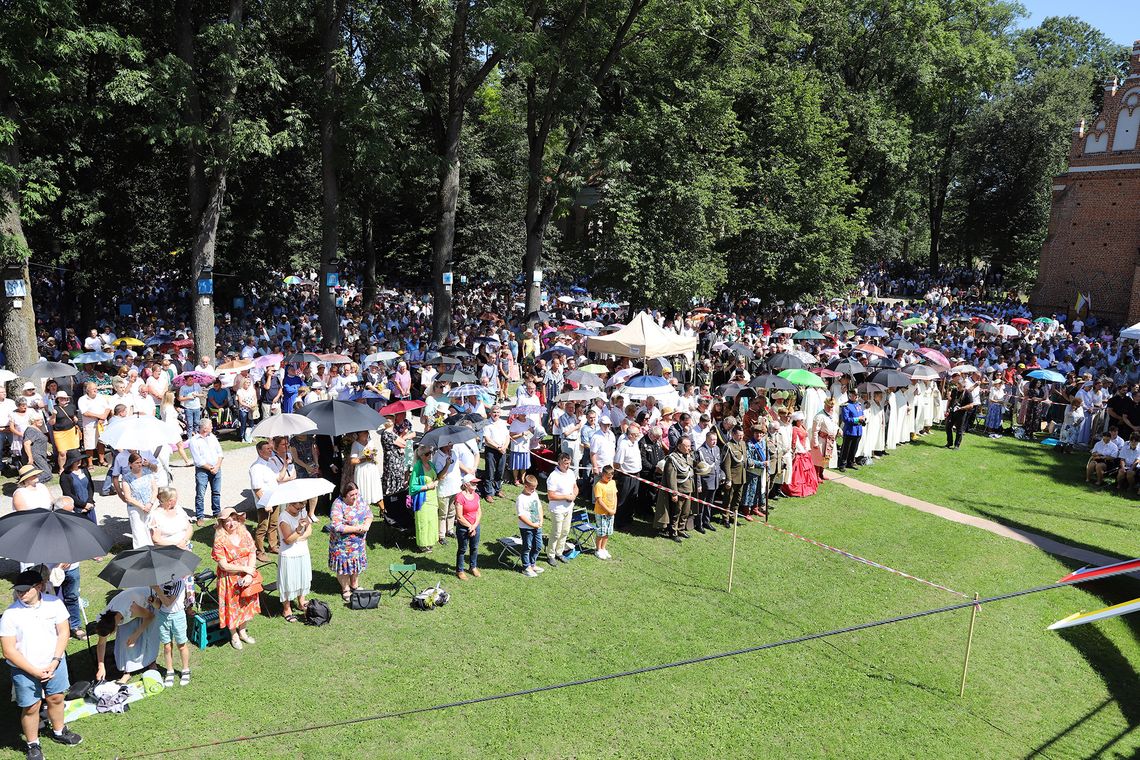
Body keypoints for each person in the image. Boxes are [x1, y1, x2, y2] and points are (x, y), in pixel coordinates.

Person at [1, 569, 82, 759]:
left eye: (25, 590)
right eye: (18, 590)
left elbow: (63, 632)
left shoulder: (55, 604)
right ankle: (33, 745)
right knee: (31, 707)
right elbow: (9, 651)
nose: (20, 594)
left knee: (56, 698)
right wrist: (35, 671)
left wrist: (55, 661)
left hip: (54, 663)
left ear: (39, 587)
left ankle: (59, 731)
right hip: (24, 669)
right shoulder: (10, 615)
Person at [211, 507, 260, 650]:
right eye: (227, 521)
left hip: (246, 577)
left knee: (245, 604)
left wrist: (250, 575)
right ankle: (234, 635)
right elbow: (223, 565)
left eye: (233, 519)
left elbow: (252, 553)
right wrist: (245, 569)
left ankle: (243, 631)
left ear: (239, 520)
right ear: (222, 524)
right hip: (229, 580)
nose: (231, 523)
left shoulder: (245, 534)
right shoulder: (219, 540)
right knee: (232, 607)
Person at [94, 586, 159, 683]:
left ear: (115, 627)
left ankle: (151, 662)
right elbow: (101, 643)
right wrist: (101, 666)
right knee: (124, 639)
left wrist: (135, 635)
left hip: (148, 601)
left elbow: (150, 616)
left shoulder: (130, 608)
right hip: (129, 603)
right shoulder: (103, 620)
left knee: (148, 633)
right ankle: (127, 672)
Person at [249, 440, 291, 561]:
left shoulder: (270, 464)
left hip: (274, 499)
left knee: (273, 524)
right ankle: (259, 551)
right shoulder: (256, 467)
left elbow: (279, 478)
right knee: (262, 527)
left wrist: (285, 465)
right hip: (264, 503)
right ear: (260, 451)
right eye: (267, 449)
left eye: (270, 448)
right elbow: (257, 489)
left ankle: (273, 546)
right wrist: (266, 503)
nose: (270, 450)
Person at [329, 482, 372, 601]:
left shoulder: (360, 500)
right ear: (344, 495)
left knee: (355, 565)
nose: (355, 497)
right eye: (352, 495)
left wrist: (367, 524)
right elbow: (337, 526)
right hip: (343, 544)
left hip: (358, 543)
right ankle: (345, 588)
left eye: (356, 493)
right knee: (344, 566)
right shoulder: (338, 505)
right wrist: (357, 529)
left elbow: (369, 514)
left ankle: (354, 585)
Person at [153, 573, 191, 688]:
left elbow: (168, 602)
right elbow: (160, 605)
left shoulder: (179, 582)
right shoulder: (160, 582)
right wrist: (153, 601)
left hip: (177, 616)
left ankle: (185, 670)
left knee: (181, 645)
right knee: (167, 646)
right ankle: (170, 671)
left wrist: (156, 589)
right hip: (163, 616)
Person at [277, 501, 313, 622]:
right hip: (289, 555)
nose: (301, 508)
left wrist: (300, 537)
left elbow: (309, 531)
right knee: (289, 581)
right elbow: (288, 540)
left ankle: (301, 601)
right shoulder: (283, 517)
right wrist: (299, 529)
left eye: (303, 505)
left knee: (302, 578)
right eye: (298, 505)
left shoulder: (303, 512)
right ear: (290, 504)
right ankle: (286, 608)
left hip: (302, 552)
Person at [657, 436, 694, 539]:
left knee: (685, 512)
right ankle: (673, 531)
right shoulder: (672, 458)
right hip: (679, 489)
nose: (688, 448)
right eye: (686, 446)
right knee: (676, 512)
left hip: (688, 488)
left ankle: (681, 529)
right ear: (679, 446)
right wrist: (674, 493)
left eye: (689, 446)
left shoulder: (688, 457)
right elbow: (671, 477)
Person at [545, 452, 578, 565]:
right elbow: (551, 496)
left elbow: (575, 487)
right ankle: (550, 555)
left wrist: (574, 495)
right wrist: (566, 497)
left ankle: (559, 552)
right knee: (556, 533)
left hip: (568, 508)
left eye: (569, 463)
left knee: (565, 532)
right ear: (559, 462)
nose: (568, 466)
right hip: (557, 509)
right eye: (565, 463)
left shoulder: (571, 473)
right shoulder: (553, 476)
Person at [119, 452, 158, 548]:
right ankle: (141, 551)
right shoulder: (126, 478)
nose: (139, 464)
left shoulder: (148, 472)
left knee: (152, 529)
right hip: (135, 509)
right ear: (130, 464)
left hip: (150, 506)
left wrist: (150, 503)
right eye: (136, 463)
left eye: (140, 462)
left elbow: (155, 489)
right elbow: (128, 497)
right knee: (139, 531)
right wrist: (141, 506)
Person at [189, 419, 223, 523]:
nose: (212, 427)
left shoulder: (212, 437)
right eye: (210, 426)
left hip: (216, 468)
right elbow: (198, 460)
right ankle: (200, 516)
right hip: (202, 470)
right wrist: (210, 468)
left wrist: (217, 466)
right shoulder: (194, 441)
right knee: (200, 494)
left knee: (216, 492)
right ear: (204, 428)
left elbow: (220, 453)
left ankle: (217, 512)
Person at [410, 446, 441, 553]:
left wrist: (436, 481)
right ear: (421, 456)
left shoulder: (431, 464)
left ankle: (430, 542)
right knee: (423, 522)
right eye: (428, 454)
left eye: (430, 453)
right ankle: (422, 544)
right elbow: (413, 487)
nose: (430, 455)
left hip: (432, 498)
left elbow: (435, 477)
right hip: (423, 500)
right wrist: (427, 487)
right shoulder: (417, 468)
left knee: (432, 521)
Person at [783, 411, 820, 497]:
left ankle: (808, 486)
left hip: (805, 450)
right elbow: (795, 441)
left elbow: (806, 438)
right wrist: (802, 450)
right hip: (799, 452)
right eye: (801, 420)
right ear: (797, 421)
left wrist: (807, 448)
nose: (802, 421)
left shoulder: (802, 427)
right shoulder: (795, 429)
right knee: (797, 471)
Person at [694, 430, 723, 533]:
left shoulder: (717, 449)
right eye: (712, 440)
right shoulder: (700, 451)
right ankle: (699, 523)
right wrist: (698, 484)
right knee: (701, 504)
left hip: (714, 481)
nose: (714, 442)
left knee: (710, 503)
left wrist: (719, 477)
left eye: (715, 440)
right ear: (706, 439)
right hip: (704, 482)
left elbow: (718, 465)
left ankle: (706, 521)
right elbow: (697, 470)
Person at [516, 474, 544, 577]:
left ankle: (532, 564)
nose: (533, 490)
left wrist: (541, 519)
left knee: (538, 546)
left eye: (534, 488)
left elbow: (539, 507)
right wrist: (532, 524)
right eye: (531, 488)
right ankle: (525, 567)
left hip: (537, 525)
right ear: (525, 486)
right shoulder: (521, 498)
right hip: (526, 527)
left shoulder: (535, 494)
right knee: (527, 547)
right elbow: (521, 515)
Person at [454, 477, 482, 580]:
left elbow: (479, 512)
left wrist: (474, 526)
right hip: (463, 528)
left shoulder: (476, 496)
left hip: (475, 526)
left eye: (476, 483)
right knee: (462, 549)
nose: (476, 485)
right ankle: (460, 570)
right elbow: (459, 517)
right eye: (473, 483)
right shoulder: (459, 497)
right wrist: (470, 526)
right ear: (466, 484)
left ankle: (473, 567)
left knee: (474, 547)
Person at [59, 450, 96, 523]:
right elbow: (67, 494)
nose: (79, 461)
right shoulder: (65, 476)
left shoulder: (84, 470)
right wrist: (83, 505)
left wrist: (89, 501)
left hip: (89, 505)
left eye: (80, 459)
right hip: (78, 508)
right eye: (77, 460)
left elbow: (90, 486)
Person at [348, 429, 383, 508]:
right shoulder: (355, 444)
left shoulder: (370, 441)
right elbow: (352, 461)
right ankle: (362, 508)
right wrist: (365, 458)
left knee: (375, 487)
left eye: (367, 432)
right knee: (363, 488)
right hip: (362, 469)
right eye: (365, 432)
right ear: (359, 433)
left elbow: (374, 453)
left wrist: (372, 456)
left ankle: (383, 509)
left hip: (372, 468)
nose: (367, 433)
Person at [481, 406, 509, 501]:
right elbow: (487, 440)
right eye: (494, 412)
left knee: (500, 471)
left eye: (497, 412)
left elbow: (507, 436)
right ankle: (488, 493)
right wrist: (498, 447)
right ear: (490, 413)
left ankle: (498, 489)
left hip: (502, 450)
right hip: (491, 450)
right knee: (490, 471)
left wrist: (504, 447)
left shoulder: (502, 423)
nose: (496, 414)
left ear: (500, 413)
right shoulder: (486, 423)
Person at [722, 425, 749, 524]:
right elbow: (726, 465)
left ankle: (734, 516)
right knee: (728, 499)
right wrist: (728, 479)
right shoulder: (728, 446)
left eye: (742, 435)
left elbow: (744, 459)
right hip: (733, 477)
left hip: (742, 476)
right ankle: (725, 518)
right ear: (733, 434)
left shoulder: (743, 443)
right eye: (739, 435)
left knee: (737, 499)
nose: (741, 437)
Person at [49, 391, 80, 475]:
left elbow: (74, 416)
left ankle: (75, 466)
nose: (63, 399)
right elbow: (51, 423)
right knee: (62, 452)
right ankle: (61, 468)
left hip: (71, 430)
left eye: (65, 398)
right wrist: (54, 415)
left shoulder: (72, 406)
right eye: (61, 398)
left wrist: (75, 419)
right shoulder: (54, 408)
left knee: (74, 450)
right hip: (59, 432)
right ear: (58, 399)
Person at [592, 465, 617, 559]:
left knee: (608, 532)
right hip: (601, 513)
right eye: (607, 477)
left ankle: (603, 548)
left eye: (611, 477)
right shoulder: (599, 485)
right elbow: (599, 500)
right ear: (603, 474)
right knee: (601, 532)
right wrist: (608, 510)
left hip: (611, 512)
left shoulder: (613, 482)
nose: (609, 479)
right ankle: (598, 549)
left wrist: (614, 509)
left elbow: (615, 496)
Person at [838, 389, 865, 471]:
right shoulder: (846, 405)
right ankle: (842, 464)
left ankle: (850, 462)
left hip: (858, 430)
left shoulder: (859, 405)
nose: (856, 397)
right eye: (854, 395)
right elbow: (846, 419)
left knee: (854, 448)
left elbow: (862, 414)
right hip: (850, 430)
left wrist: (863, 419)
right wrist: (857, 419)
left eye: (857, 395)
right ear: (850, 395)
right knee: (846, 449)